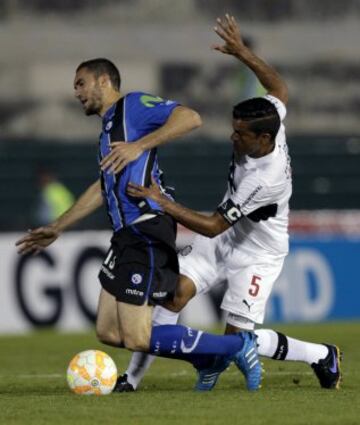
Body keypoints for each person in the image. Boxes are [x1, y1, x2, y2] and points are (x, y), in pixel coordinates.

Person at [115, 14, 341, 392]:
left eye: (241, 134)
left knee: (237, 343)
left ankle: (321, 354)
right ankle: (130, 381)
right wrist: (242, 53)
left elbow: (215, 224)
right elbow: (280, 89)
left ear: (264, 139)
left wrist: (161, 201)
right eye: (233, 129)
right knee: (171, 298)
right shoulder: (273, 121)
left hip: (256, 254)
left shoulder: (263, 179)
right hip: (222, 242)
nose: (232, 138)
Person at [16, 57, 263, 392]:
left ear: (104, 81)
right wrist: (58, 226)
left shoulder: (131, 107)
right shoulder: (107, 132)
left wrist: (140, 145)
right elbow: (102, 188)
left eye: (80, 84)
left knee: (136, 336)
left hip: (146, 229)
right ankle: (207, 356)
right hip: (124, 237)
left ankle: (237, 346)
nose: (76, 92)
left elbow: (191, 118)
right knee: (109, 332)